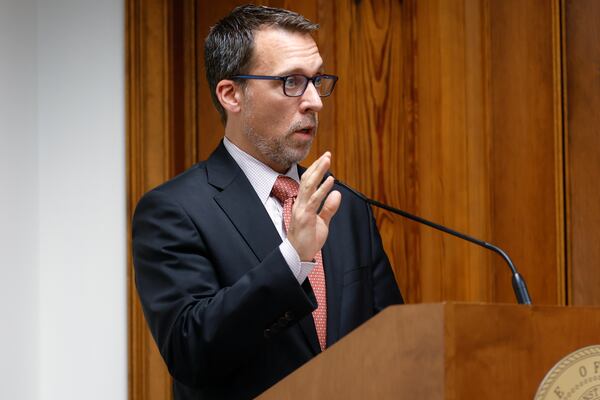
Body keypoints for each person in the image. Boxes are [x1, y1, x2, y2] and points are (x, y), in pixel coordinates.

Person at [132, 4, 403, 399]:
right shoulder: (174, 211)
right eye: (291, 82)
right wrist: (293, 258)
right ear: (231, 95)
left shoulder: (343, 206)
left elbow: (392, 340)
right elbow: (190, 350)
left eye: (316, 80)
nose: (314, 101)